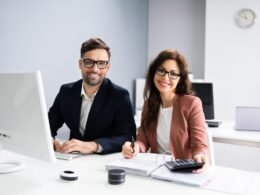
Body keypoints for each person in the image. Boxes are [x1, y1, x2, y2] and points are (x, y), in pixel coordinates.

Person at [122, 49, 209, 171]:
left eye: (173, 73)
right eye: (161, 70)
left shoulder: (192, 104)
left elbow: (199, 146)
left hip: (184, 170)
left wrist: (200, 156)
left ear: (180, 79)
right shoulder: (148, 105)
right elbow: (143, 140)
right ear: (154, 73)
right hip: (158, 170)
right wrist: (134, 147)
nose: (165, 77)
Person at [48, 37, 136, 155]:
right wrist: (50, 140)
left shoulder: (120, 96)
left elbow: (127, 136)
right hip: (72, 159)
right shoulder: (66, 92)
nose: (95, 69)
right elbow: (48, 124)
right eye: (89, 62)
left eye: (101, 64)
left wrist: (93, 146)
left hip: (103, 162)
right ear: (80, 64)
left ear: (107, 67)